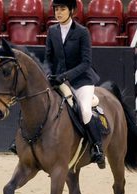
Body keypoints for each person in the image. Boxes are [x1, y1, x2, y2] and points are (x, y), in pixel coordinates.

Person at [44, 0, 105, 168]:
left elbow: (86, 63)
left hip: (81, 81)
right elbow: (48, 58)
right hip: (57, 80)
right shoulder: (52, 31)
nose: (58, 12)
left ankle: (97, 148)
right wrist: (49, 73)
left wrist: (65, 76)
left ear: (72, 10)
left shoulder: (82, 32)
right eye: (56, 9)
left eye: (62, 9)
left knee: (84, 110)